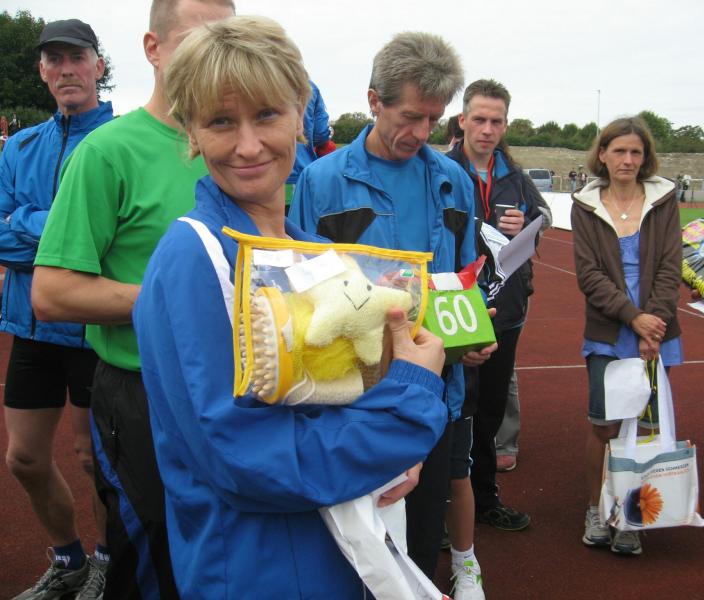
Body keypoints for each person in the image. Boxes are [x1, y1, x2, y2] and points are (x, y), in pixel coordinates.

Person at [130, 16, 449, 597]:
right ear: (192, 132)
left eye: (267, 114)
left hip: (341, 553)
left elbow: (346, 401)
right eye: (220, 121)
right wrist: (408, 405)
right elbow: (243, 459)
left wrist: (395, 450)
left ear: (300, 116)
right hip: (259, 568)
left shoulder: (316, 253)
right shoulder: (194, 257)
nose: (248, 145)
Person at [30, 1, 235, 598]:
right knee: (153, 563)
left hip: (238, 388)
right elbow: (52, 293)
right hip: (144, 393)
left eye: (228, 37)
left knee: (227, 555)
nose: (216, 53)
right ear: (153, 49)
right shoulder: (107, 151)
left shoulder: (242, 147)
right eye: (198, 38)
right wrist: (182, 298)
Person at [289, 31, 496, 581]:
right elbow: (303, 290)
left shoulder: (453, 180)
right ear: (374, 101)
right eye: (410, 117)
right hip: (351, 395)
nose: (422, 133)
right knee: (350, 550)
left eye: (434, 119)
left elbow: (464, 276)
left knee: (419, 550)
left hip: (432, 395)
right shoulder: (321, 180)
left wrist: (473, 330)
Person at [0, 19, 113, 600]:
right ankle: (69, 560)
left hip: (97, 332)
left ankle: (107, 562)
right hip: (33, 324)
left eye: (77, 57)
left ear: (98, 66)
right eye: (55, 60)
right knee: (23, 458)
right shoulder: (20, 147)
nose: (67, 69)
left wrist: (25, 223)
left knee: (95, 461)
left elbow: (113, 242)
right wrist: (67, 234)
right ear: (43, 71)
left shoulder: (118, 141)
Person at [571, 116, 682, 556]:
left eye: (636, 152)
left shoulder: (663, 200)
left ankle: (632, 514)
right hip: (609, 329)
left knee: (646, 428)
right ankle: (597, 508)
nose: (628, 160)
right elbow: (589, 275)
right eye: (619, 151)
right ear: (602, 154)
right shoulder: (585, 205)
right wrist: (634, 319)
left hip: (658, 329)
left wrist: (653, 324)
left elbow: (671, 267)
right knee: (605, 426)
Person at [447, 79, 549, 536]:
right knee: (453, 409)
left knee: (489, 411)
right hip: (457, 308)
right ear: (462, 120)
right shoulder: (441, 169)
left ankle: (485, 499)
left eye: (496, 121)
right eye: (480, 119)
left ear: (505, 125)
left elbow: (544, 219)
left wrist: (528, 221)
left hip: (506, 311)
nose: (487, 129)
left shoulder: (516, 177)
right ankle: (443, 507)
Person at [284, 79, 337, 212]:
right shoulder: (309, 86)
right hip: (302, 175)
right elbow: (320, 134)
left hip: (261, 179)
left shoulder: (252, 79)